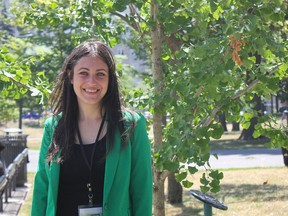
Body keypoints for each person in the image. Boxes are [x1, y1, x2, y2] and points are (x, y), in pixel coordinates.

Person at [31, 39, 153, 216]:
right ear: (70, 76)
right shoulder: (53, 127)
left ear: (110, 79)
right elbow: (42, 189)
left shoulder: (131, 126)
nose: (91, 81)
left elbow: (142, 192)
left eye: (100, 74)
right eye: (84, 73)